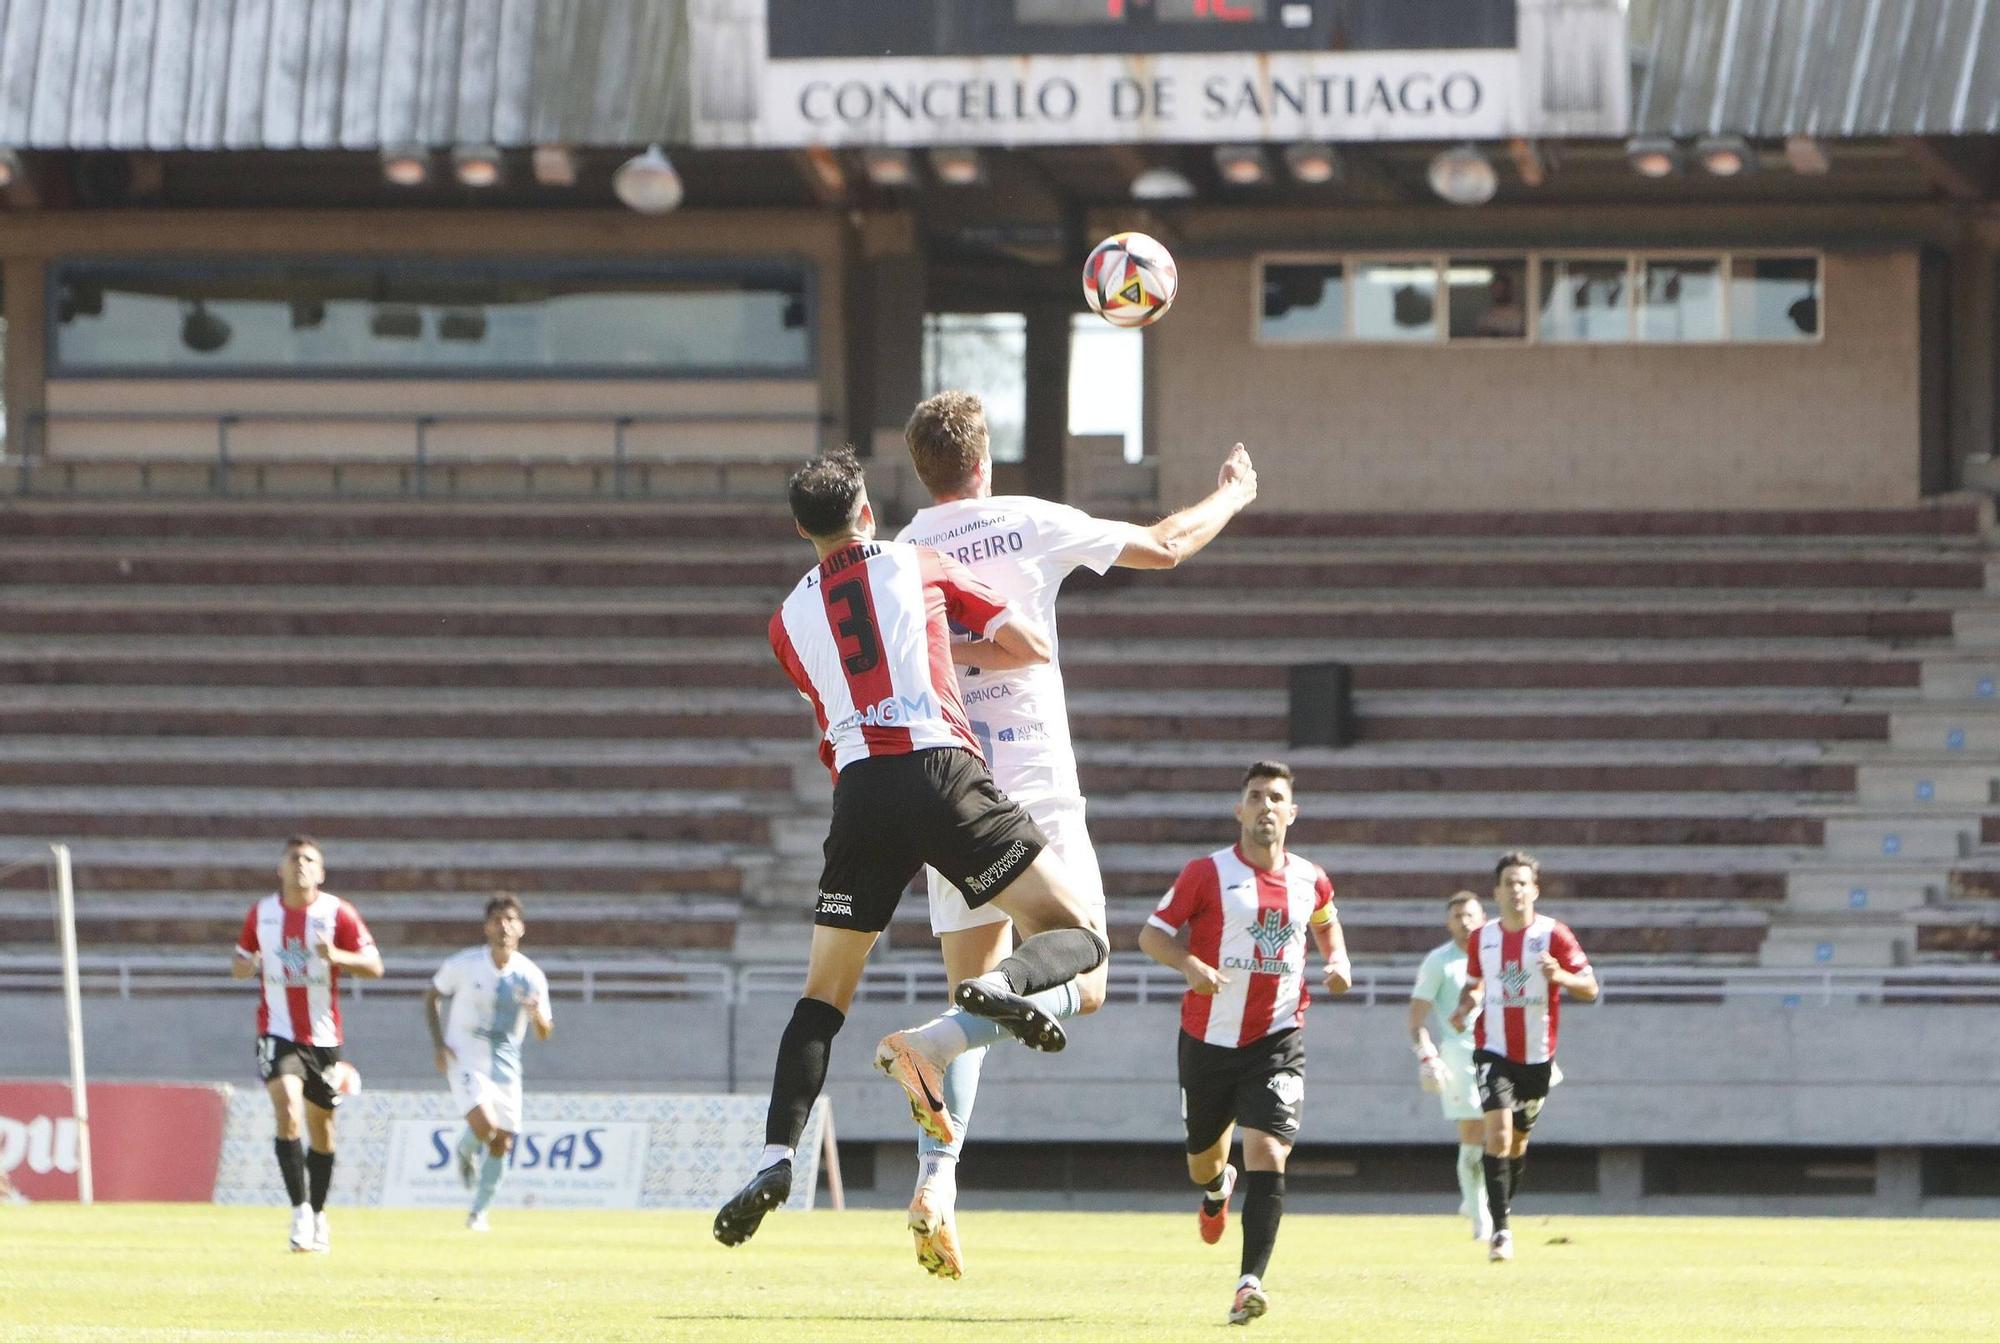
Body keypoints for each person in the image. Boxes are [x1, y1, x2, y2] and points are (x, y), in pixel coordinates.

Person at [888, 388, 1259, 1278]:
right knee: (1086, 970)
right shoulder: (1025, 519)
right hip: (1033, 784)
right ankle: (931, 1047)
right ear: (986, 459)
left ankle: (939, 1181)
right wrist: (1234, 494)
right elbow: (1165, 546)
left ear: (924, 469)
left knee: (971, 985)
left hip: (945, 783)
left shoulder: (901, 550)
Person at [712, 448, 1109, 1248]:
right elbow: (1027, 641)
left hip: (860, 793)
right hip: (942, 772)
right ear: (866, 509)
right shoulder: (918, 560)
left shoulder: (785, 622)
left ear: (801, 528)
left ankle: (775, 1154)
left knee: (821, 998)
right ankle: (999, 987)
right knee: (1077, 933)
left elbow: (825, 696)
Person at [1137, 762, 1350, 1327]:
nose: (1266, 807)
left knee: (1269, 1151)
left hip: (1278, 1037)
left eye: (1276, 798)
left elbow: (1326, 920)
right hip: (1207, 1039)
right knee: (1203, 1163)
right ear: (1240, 811)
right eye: (1255, 796)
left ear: (1291, 813)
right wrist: (1188, 964)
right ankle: (1217, 1188)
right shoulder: (1206, 873)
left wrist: (1338, 960)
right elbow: (1151, 934)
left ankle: (1248, 1283)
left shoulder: (1311, 878)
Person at [231, 835, 382, 1253]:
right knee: (287, 1108)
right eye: (293, 859)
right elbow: (239, 964)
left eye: (309, 859)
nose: (300, 865)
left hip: (324, 1038)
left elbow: (374, 965)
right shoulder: (261, 914)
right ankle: (298, 1212)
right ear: (279, 869)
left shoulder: (338, 913)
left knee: (323, 1130)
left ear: (321, 871)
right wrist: (248, 966)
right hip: (276, 1030)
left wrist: (337, 956)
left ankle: (318, 1213)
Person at [1449, 851, 1598, 1263]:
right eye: (1508, 883)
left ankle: (1502, 1209)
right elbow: (1476, 985)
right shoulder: (1484, 938)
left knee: (1516, 1143)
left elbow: (1591, 987)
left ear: (1534, 889)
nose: (1515, 890)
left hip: (1537, 1056)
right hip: (1492, 1049)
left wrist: (1561, 977)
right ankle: (1500, 1232)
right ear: (1496, 892)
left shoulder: (1555, 935)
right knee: (1495, 1134)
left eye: (1522, 883)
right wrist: (1466, 1006)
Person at [424, 894, 554, 1232]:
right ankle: (465, 1150)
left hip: (507, 1063)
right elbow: (432, 995)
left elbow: (544, 1032)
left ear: (522, 928)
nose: (504, 926)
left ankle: (478, 1212)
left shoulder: (531, 976)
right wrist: (439, 1044)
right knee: (484, 1125)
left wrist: (537, 1014)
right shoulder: (464, 965)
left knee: (501, 1142)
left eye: (511, 920)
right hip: (465, 1055)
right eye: (497, 920)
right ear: (486, 927)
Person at [1406, 891, 1489, 1240]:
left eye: (1470, 915)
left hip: (1502, 1051)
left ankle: (1478, 1200)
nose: (1465, 922)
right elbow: (1416, 1020)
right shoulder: (1439, 961)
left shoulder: (1497, 954)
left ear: (1483, 917)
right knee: (1473, 1133)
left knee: (1503, 1135)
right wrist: (1427, 1055)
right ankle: (1481, 1217)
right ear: (1448, 922)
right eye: (1457, 916)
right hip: (1461, 1054)